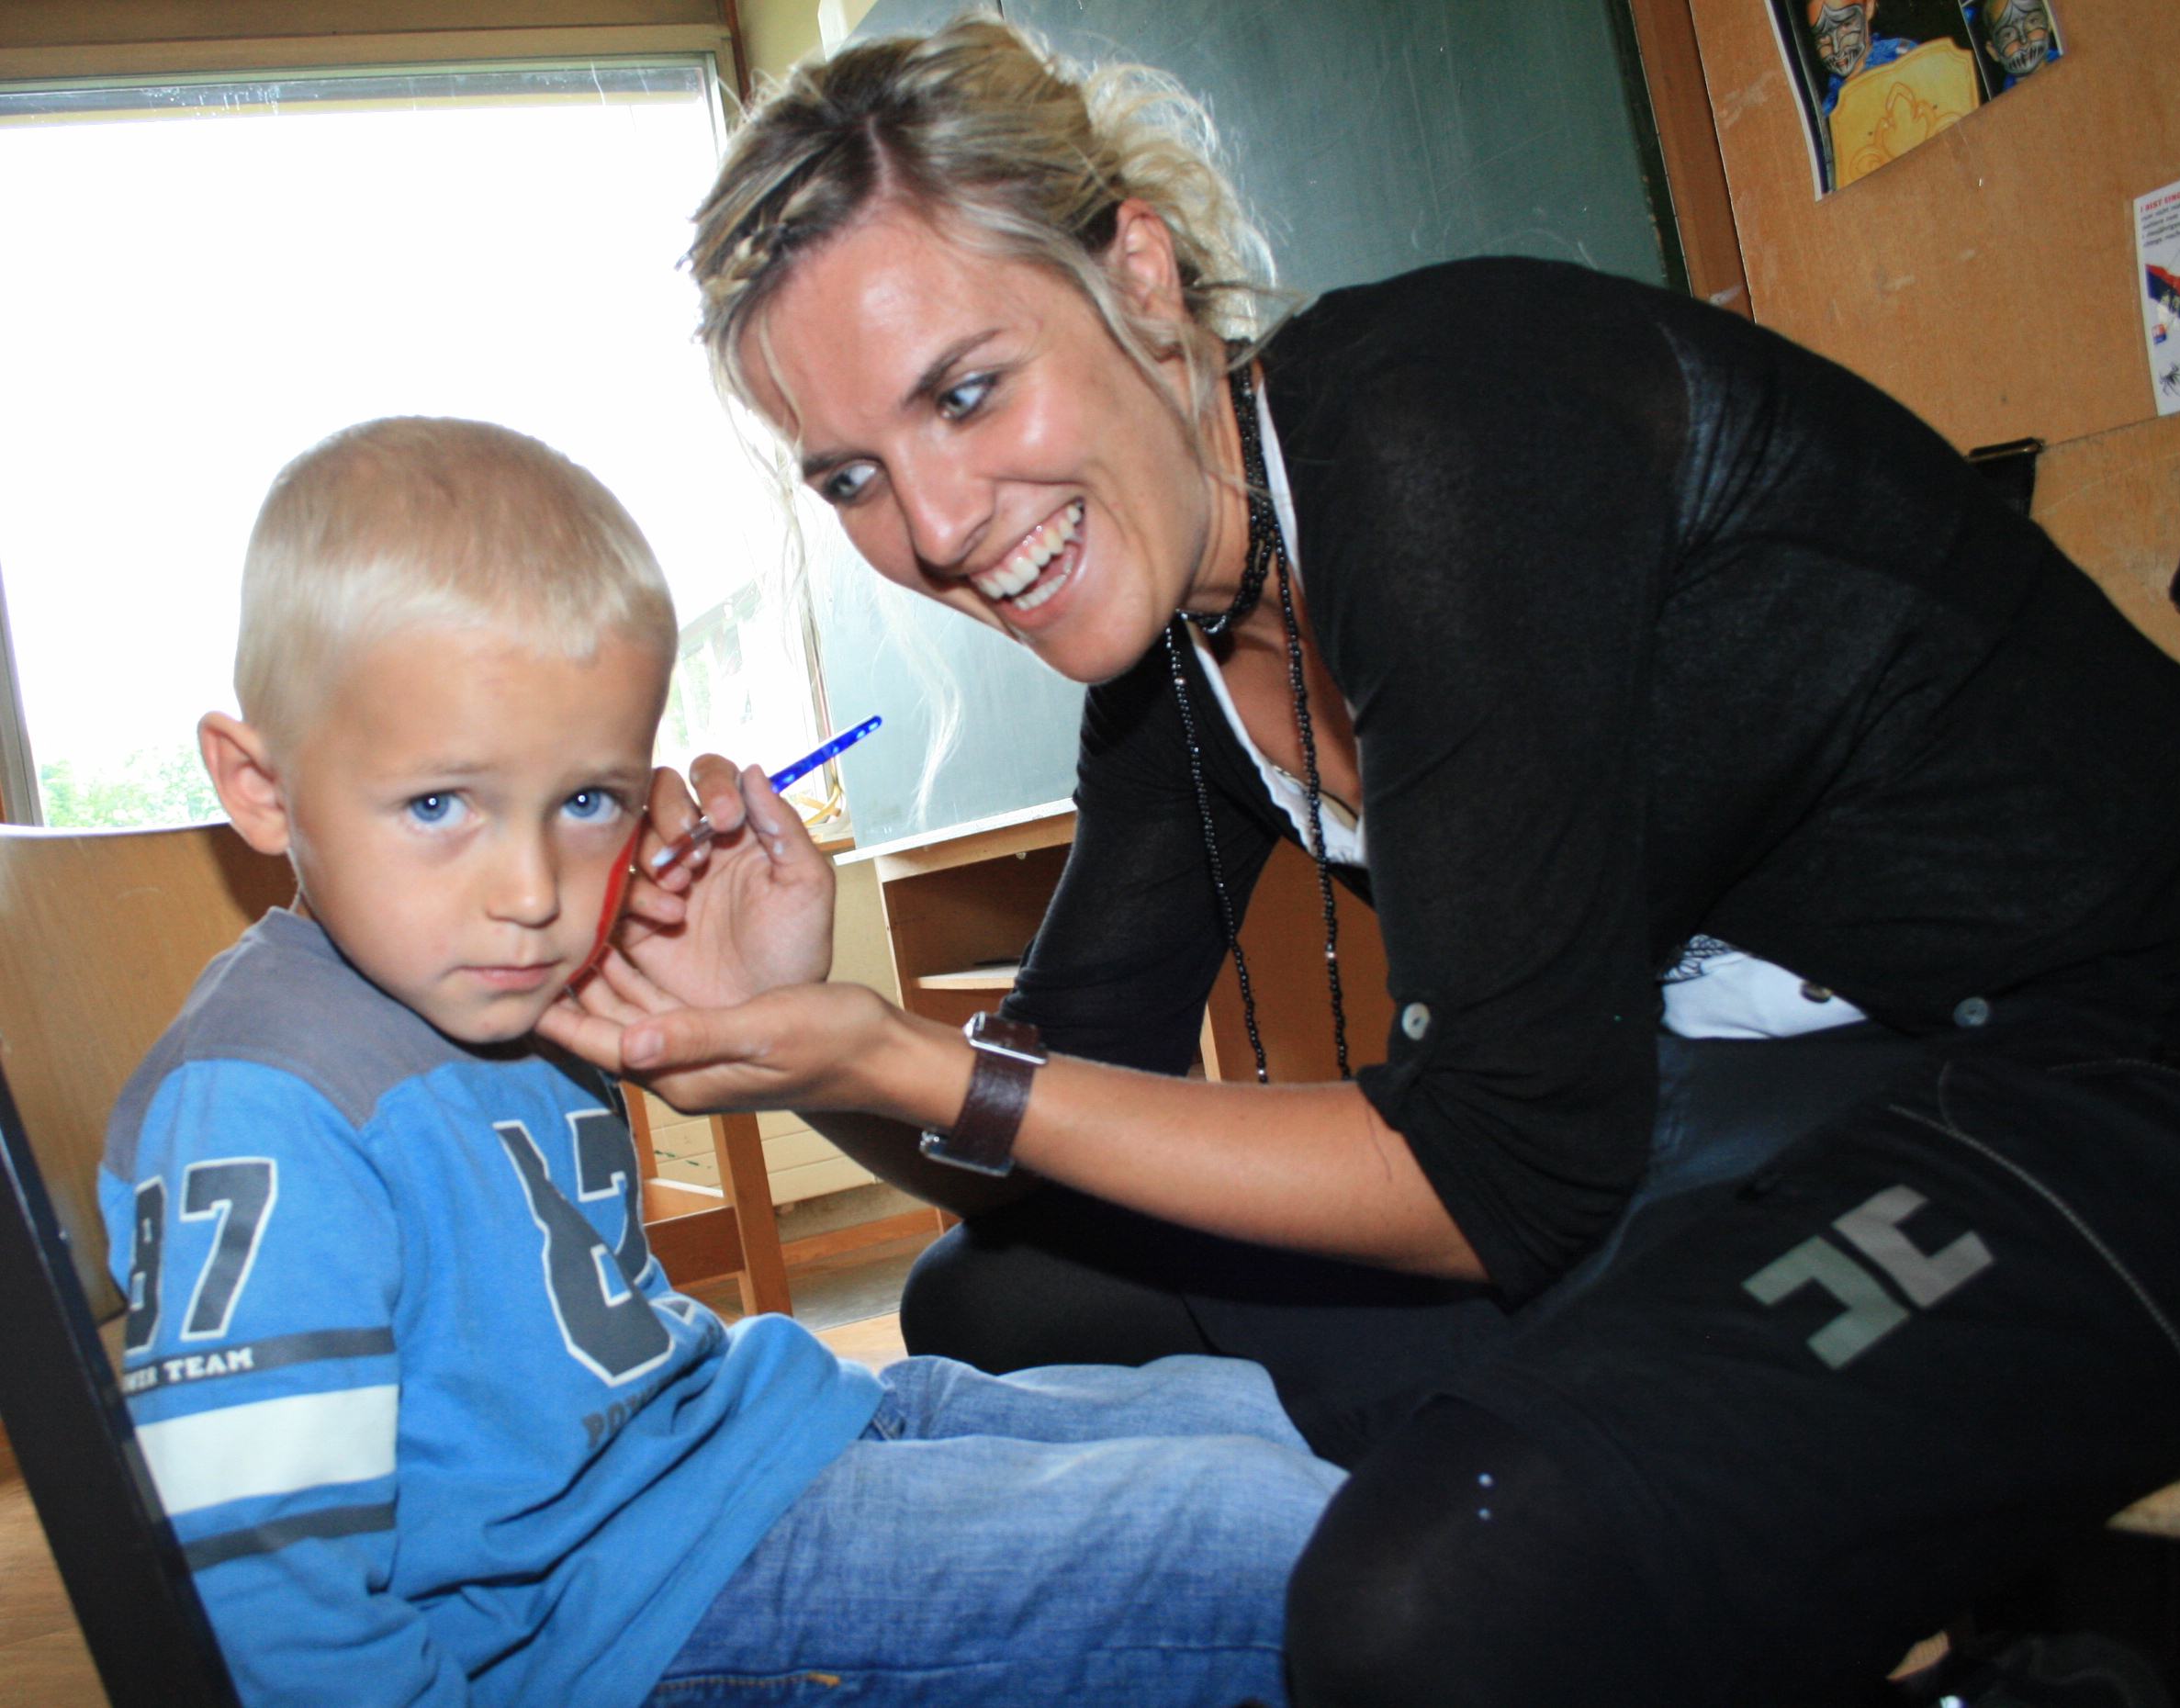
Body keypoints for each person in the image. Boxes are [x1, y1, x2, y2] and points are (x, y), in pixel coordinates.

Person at [541, 18, 2180, 1704]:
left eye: (966, 392)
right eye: (853, 478)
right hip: (1793, 1097)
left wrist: (898, 1058)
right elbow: (1031, 1140)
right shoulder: (1176, 648)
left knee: (1427, 1605)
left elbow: (1500, 1179)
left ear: (1137, 275)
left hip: (2123, 1069)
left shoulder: (1437, 432)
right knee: (1009, 1301)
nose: (940, 526)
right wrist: (799, 1037)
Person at [104, 416, 1343, 1708]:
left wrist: (771, 1009)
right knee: (1256, 1531)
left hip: (752, 1435)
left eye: (586, 802)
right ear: (260, 786)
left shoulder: (503, 987)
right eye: (438, 804)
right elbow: (267, 1596)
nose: (532, 892)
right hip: (641, 1603)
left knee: (1253, 1410)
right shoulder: (260, 1104)